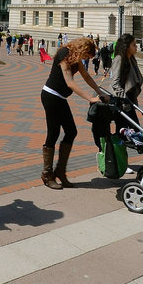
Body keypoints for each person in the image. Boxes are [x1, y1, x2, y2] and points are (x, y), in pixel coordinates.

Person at [39, 38, 105, 189]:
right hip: (50, 95)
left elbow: (86, 76)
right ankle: (47, 174)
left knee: (71, 131)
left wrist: (99, 92)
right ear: (82, 49)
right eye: (87, 55)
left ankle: (60, 171)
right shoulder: (64, 54)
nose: (86, 59)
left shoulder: (75, 57)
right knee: (53, 133)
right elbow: (69, 82)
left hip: (60, 97)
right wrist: (90, 98)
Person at [110, 34, 143, 128]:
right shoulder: (119, 59)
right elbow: (115, 82)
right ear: (126, 46)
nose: (136, 47)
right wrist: (124, 98)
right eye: (133, 44)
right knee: (126, 128)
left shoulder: (131, 59)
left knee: (133, 128)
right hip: (121, 100)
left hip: (129, 98)